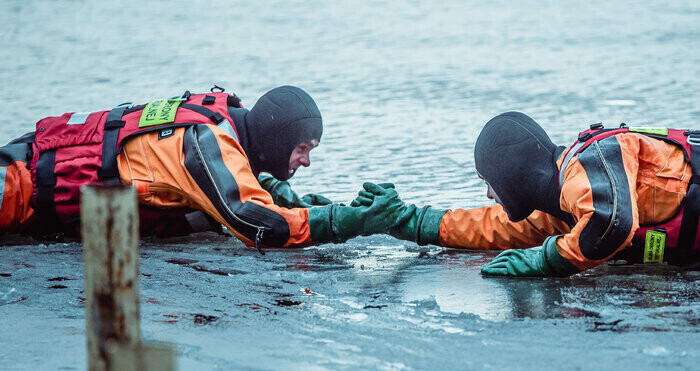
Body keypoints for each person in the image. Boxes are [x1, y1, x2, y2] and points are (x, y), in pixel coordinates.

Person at [376, 112, 700, 276]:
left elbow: (613, 222)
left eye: (488, 180)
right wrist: (412, 221)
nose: (487, 192)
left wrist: (548, 262)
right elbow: (490, 228)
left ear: (511, 172)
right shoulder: (563, 208)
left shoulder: (591, 162)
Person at [0, 85, 400, 252]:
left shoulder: (228, 137)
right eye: (302, 148)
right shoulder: (205, 142)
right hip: (16, 184)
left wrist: (314, 206)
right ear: (277, 141)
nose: (306, 161)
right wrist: (344, 222)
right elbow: (258, 223)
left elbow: (251, 194)